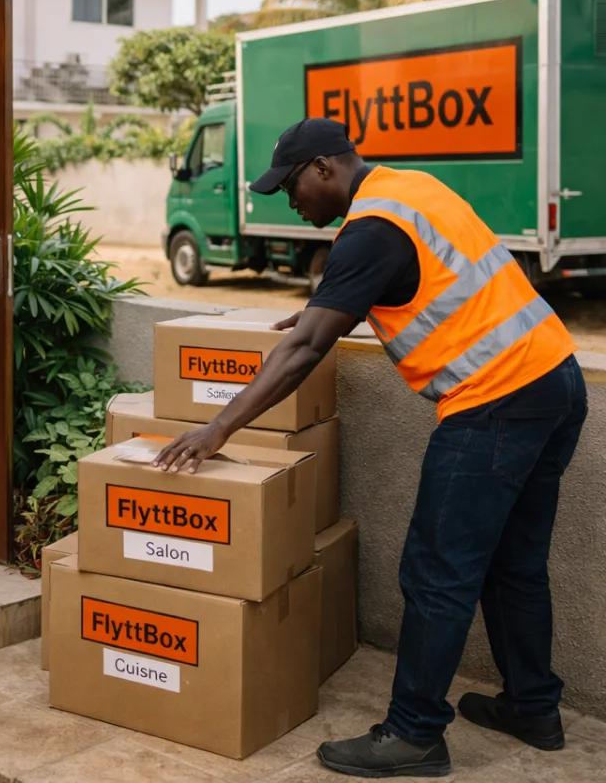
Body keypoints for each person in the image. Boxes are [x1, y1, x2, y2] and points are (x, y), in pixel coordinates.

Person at [154, 118, 584, 779]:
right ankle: (533, 707)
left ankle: (413, 734)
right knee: (513, 564)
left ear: (325, 168)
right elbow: (414, 281)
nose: (289, 201)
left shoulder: (371, 230)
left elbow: (303, 350)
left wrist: (218, 429)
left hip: (497, 401)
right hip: (554, 382)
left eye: (292, 186)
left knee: (436, 571)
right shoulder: (406, 191)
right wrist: (332, 302)